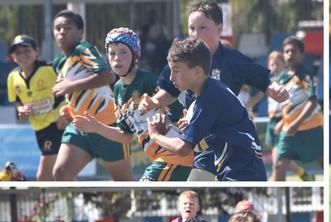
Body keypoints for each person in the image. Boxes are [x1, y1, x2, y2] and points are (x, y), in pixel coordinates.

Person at [139, 0, 289, 180]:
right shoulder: (181, 61)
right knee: (193, 192)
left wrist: (274, 89)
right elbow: (170, 91)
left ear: (219, 29)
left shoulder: (231, 62)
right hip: (205, 145)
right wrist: (154, 102)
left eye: (203, 28)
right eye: (192, 28)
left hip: (234, 150)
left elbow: (262, 79)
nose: (196, 34)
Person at [72, 27, 192, 181]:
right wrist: (96, 127)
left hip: (176, 157)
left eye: (123, 52)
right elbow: (126, 135)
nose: (117, 58)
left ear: (135, 56)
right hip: (160, 159)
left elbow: (179, 112)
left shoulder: (147, 81)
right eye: (112, 53)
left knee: (142, 192)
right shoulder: (117, 89)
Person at [147, 37, 267, 181]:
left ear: (197, 71)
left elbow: (182, 149)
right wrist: (176, 129)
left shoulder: (211, 97)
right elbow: (206, 141)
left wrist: (155, 136)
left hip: (243, 175)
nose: (171, 78)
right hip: (235, 173)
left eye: (176, 71)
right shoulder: (205, 95)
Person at [49, 10, 132, 181]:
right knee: (61, 173)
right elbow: (75, 94)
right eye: (58, 28)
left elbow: (107, 76)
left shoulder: (83, 49)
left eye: (67, 27)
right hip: (79, 126)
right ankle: (83, 202)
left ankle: (135, 206)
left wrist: (69, 86)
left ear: (80, 33)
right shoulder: (58, 62)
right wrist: (67, 111)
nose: (62, 32)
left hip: (107, 125)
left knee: (124, 184)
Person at [6, 34, 66, 181]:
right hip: (39, 128)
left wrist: (66, 114)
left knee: (43, 176)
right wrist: (21, 110)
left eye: (26, 50)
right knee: (61, 173)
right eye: (18, 52)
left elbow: (70, 91)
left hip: (57, 125)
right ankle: (77, 200)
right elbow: (17, 101)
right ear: (13, 57)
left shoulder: (50, 68)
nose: (22, 55)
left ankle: (46, 203)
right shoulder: (12, 77)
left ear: (36, 51)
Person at [271, 36, 323, 181]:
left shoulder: (308, 75)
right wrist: (283, 121)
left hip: (311, 128)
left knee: (323, 162)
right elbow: (287, 105)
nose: (289, 55)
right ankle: (280, 201)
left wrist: (297, 123)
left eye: (293, 51)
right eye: (286, 51)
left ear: (302, 54)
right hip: (289, 130)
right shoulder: (282, 77)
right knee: (279, 165)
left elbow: (312, 102)